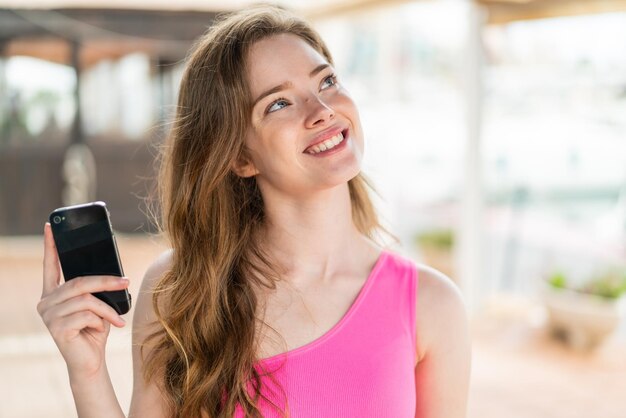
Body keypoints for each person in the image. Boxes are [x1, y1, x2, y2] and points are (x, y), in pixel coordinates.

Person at [38, 5, 471, 418]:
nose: (322, 111)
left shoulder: (432, 306)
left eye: (327, 82)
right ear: (240, 158)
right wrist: (88, 372)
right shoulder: (182, 292)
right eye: (278, 103)